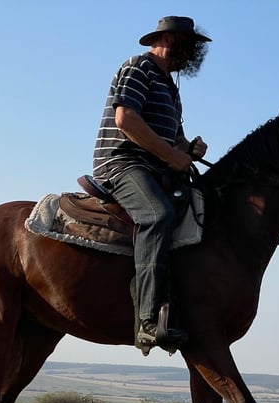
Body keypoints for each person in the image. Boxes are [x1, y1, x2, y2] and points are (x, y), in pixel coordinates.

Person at [92, 16, 211, 350]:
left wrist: (189, 149)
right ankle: (146, 319)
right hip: (122, 163)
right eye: (188, 47)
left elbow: (174, 142)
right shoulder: (137, 68)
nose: (189, 56)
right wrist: (173, 156)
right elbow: (125, 118)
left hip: (155, 169)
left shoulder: (172, 90)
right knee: (157, 215)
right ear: (170, 40)